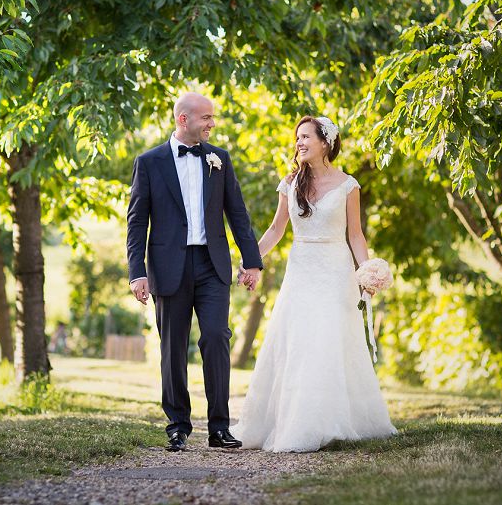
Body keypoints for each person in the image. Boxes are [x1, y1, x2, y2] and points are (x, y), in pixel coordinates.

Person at [230, 116, 397, 452]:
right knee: (298, 341)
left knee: (328, 340)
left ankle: (332, 421)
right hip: (301, 270)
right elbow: (276, 231)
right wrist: (252, 260)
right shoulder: (290, 183)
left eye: (306, 137)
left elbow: (355, 234)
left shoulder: (349, 185)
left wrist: (367, 270)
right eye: (297, 138)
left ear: (326, 143)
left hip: (335, 271)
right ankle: (296, 422)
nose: (300, 143)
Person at [126, 92, 263, 452]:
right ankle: (177, 426)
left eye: (212, 118)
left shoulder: (220, 159)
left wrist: (251, 261)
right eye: (206, 118)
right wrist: (136, 272)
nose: (212, 124)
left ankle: (219, 426)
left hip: (211, 264)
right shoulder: (149, 162)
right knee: (172, 347)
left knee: (216, 337)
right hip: (167, 266)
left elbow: (237, 213)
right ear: (183, 119)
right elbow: (137, 222)